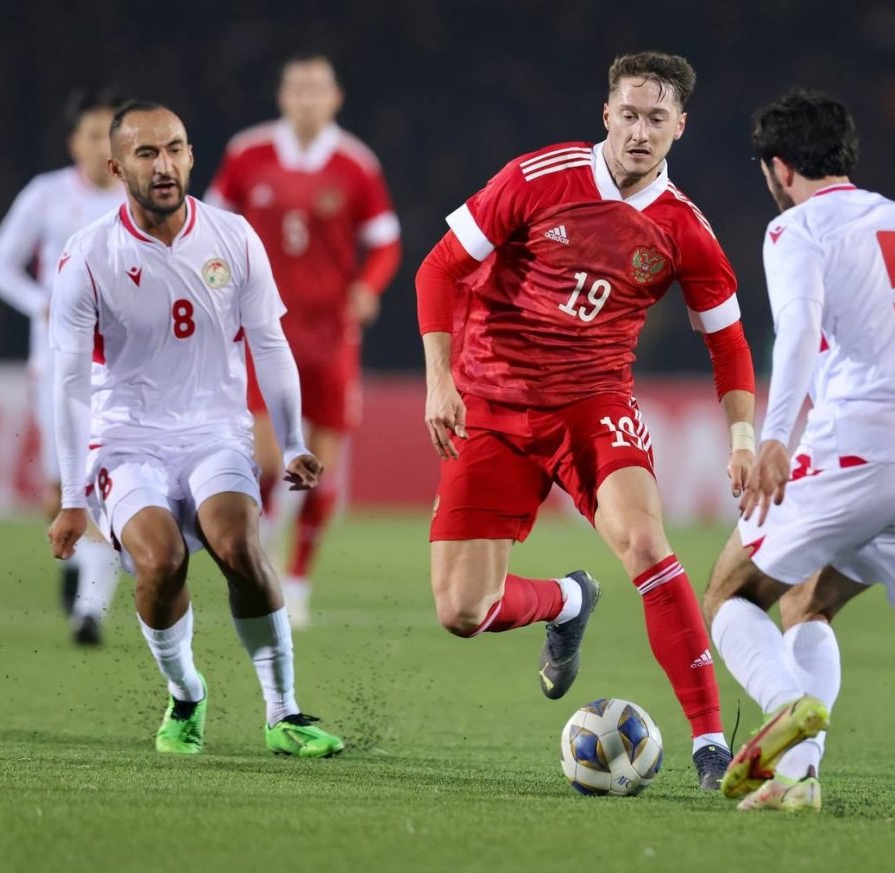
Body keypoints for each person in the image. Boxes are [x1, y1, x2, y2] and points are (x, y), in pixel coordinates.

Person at [416, 52, 757, 791]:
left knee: (646, 540)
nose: (639, 132)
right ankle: (568, 600)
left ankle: (709, 745)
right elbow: (438, 268)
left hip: (593, 403)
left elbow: (729, 344)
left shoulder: (685, 230)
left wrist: (742, 439)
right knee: (463, 610)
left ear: (680, 127)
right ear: (607, 114)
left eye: (656, 119)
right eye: (628, 115)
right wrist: (440, 381)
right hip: (491, 401)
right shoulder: (538, 177)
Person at [704, 89, 895, 812]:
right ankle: (797, 780)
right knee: (808, 602)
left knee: (731, 592)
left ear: (780, 168)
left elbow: (797, 331)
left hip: (866, 448)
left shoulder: (796, 228)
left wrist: (775, 437)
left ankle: (786, 705)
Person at [47, 101, 343, 757]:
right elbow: (68, 386)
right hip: (126, 441)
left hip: (215, 433)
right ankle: (186, 693)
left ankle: (284, 711)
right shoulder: (88, 255)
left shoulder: (233, 237)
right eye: (146, 153)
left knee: (240, 545)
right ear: (116, 167)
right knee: (162, 563)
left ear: (190, 156)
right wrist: (72, 496)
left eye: (174, 149)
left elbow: (270, 344)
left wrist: (292, 439)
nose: (164, 165)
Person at [206, 52, 402, 628]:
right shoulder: (248, 154)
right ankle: (265, 537)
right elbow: (210, 227)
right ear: (282, 96)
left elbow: (385, 242)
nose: (307, 99)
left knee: (320, 465)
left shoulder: (356, 164)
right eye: (297, 88)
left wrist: (367, 286)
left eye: (317, 89)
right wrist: (217, 283)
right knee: (268, 457)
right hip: (263, 325)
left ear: (335, 98)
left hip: (331, 332)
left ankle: (296, 583)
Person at [0, 88, 127, 646]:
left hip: (121, 368)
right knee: (60, 487)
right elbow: (1, 266)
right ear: (75, 142)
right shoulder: (46, 196)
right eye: (93, 136)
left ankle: (90, 609)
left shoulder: (140, 201)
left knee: (105, 482)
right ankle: (81, 567)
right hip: (55, 365)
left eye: (112, 137)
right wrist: (40, 302)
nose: (103, 147)